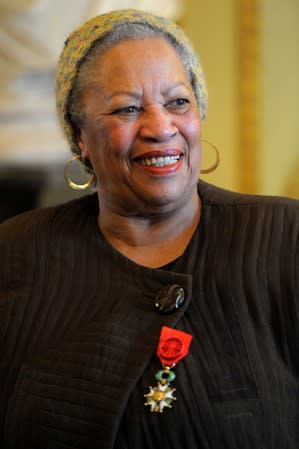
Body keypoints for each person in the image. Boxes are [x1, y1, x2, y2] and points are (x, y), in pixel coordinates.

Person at [0, 8, 298, 449]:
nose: (161, 127)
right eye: (128, 108)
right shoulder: (14, 255)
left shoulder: (284, 239)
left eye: (178, 102)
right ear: (80, 136)